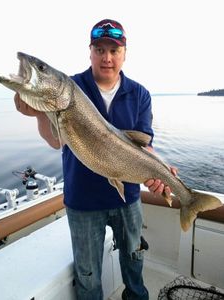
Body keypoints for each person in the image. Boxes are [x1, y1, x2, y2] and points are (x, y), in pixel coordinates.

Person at [14, 19, 176, 300]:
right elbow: (55, 141)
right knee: (88, 278)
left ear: (125, 53)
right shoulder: (69, 88)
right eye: (100, 49)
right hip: (83, 202)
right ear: (90, 51)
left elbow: (144, 146)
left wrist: (162, 171)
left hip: (129, 199)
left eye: (114, 50)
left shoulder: (139, 94)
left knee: (135, 267)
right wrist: (40, 110)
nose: (107, 58)